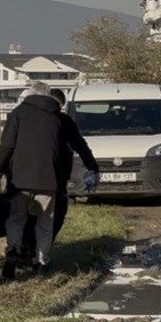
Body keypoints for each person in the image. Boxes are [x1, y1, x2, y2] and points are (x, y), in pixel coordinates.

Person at [0, 82, 96, 279]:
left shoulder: (18, 113)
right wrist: (93, 167)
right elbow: (79, 145)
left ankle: (13, 251)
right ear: (48, 96)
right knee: (45, 222)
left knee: (16, 218)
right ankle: (41, 262)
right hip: (49, 180)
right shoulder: (58, 117)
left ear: (30, 95)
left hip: (20, 180)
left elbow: (7, 144)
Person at [49, 87, 98, 240]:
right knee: (58, 212)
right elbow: (80, 145)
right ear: (60, 105)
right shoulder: (64, 121)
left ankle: (24, 250)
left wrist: (2, 167)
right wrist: (93, 167)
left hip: (24, 177)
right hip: (57, 175)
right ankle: (42, 250)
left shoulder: (25, 117)